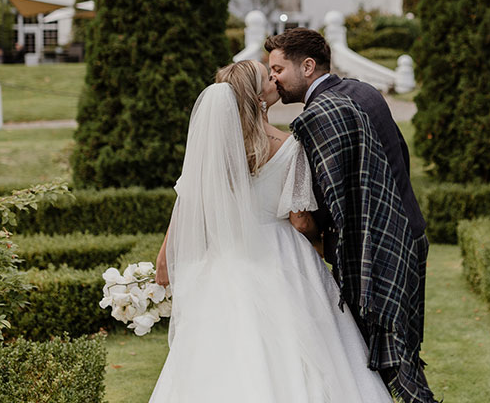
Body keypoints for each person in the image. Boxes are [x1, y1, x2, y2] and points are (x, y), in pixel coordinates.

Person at [149, 60, 393, 403]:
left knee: (222, 351)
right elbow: (299, 220)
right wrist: (323, 246)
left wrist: (164, 258)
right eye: (268, 78)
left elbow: (188, 203)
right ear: (258, 96)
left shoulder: (216, 146)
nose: (275, 81)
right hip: (282, 254)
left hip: (229, 255)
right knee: (309, 348)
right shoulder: (290, 145)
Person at [265, 28, 436, 403]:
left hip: (377, 247)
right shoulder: (363, 91)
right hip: (409, 229)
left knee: (390, 357)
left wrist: (321, 239)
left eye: (278, 68)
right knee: (402, 348)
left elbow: (337, 194)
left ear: (307, 66)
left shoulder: (323, 113)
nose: (273, 77)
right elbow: (398, 161)